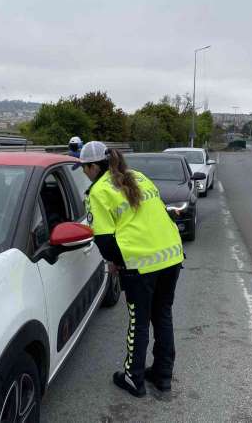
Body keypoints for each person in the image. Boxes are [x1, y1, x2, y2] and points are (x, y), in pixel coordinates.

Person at [79, 141, 184, 398]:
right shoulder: (137, 176)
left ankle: (133, 377)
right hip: (171, 255)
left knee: (139, 321)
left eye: (85, 168)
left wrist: (117, 262)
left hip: (141, 264)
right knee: (162, 315)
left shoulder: (99, 191)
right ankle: (162, 376)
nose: (84, 173)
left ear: (94, 166)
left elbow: (104, 240)